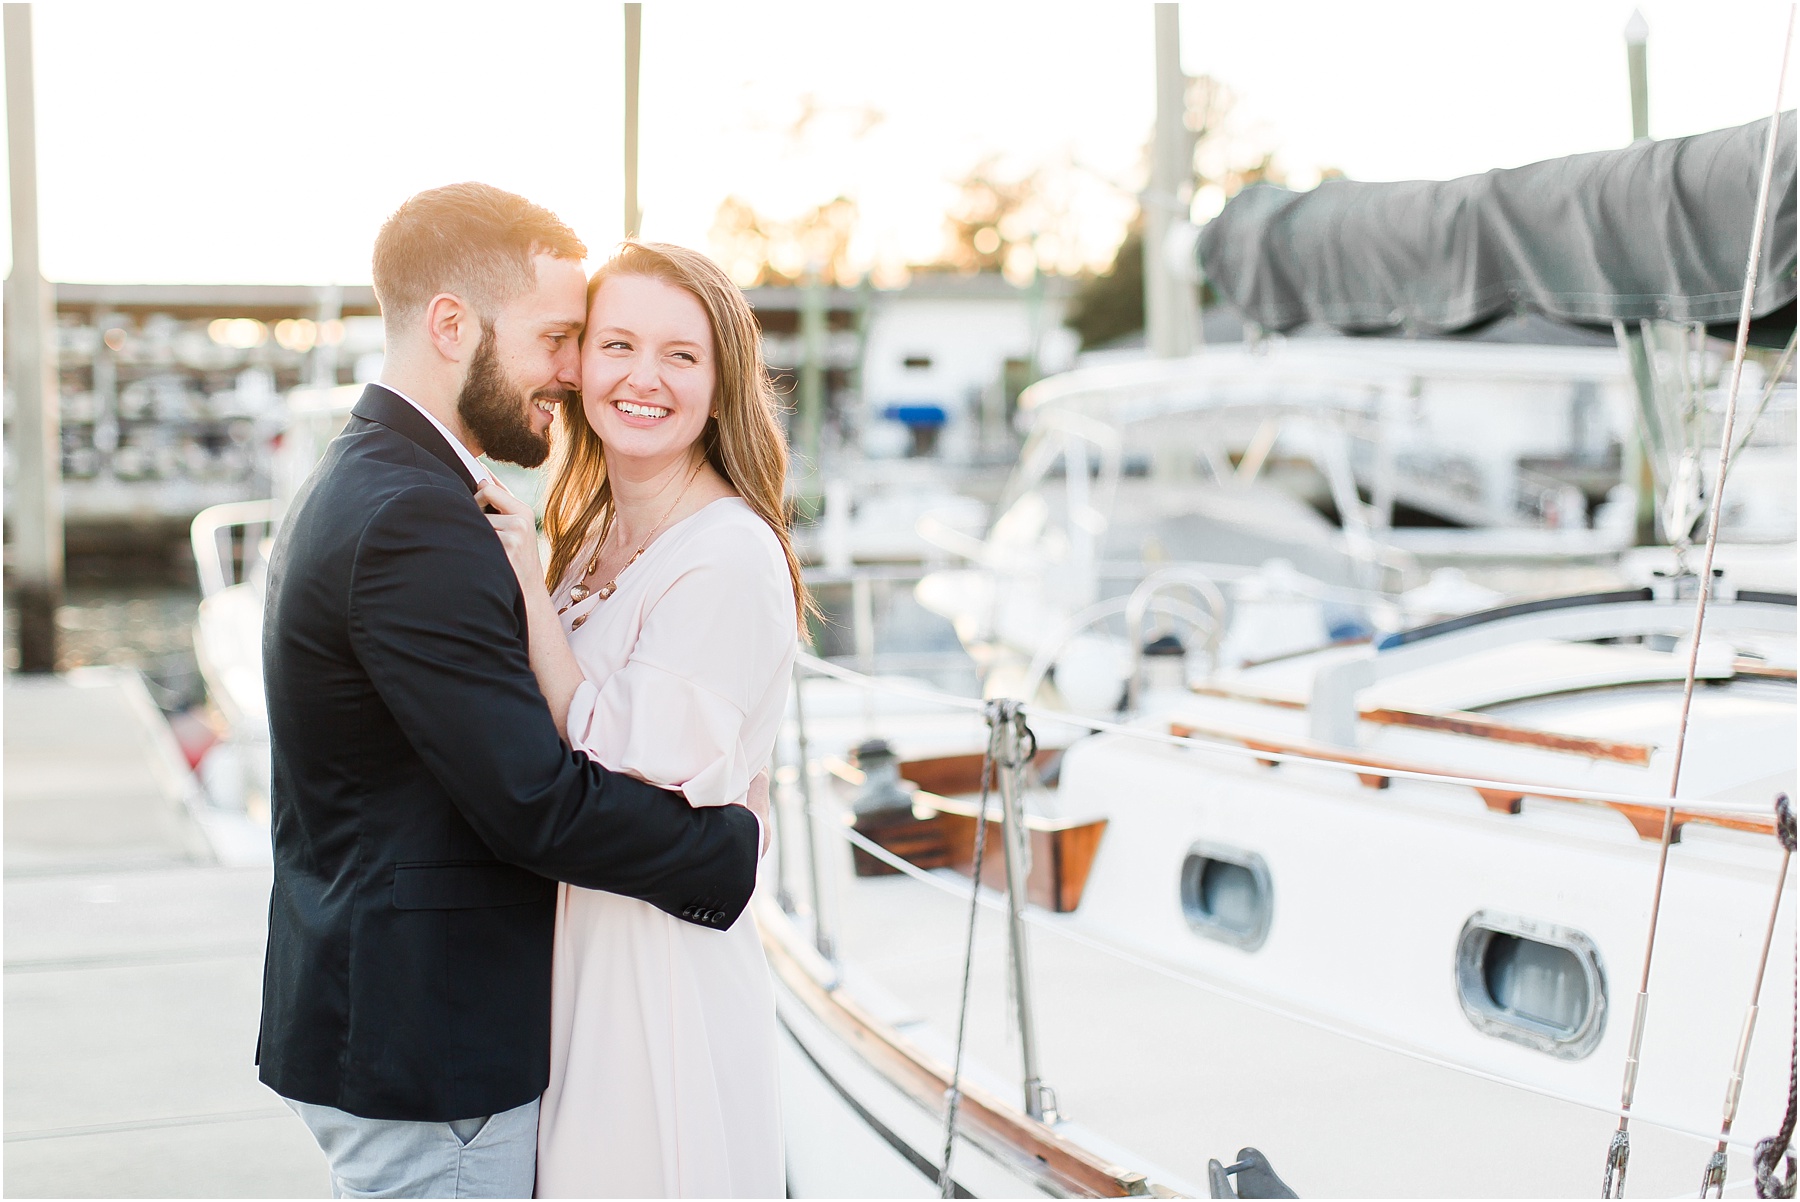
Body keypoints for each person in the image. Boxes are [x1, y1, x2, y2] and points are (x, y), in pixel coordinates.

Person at [257, 184, 764, 1199]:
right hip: (432, 1043)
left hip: (419, 1018)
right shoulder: (415, 513)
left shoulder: (391, 483)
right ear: (453, 324)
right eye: (561, 338)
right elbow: (531, 798)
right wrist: (727, 851)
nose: (575, 372)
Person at [478, 241, 806, 1197]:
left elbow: (622, 772)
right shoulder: (589, 537)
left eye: (681, 354)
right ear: (576, 365)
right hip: (577, 955)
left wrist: (528, 594)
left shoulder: (726, 555)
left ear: (720, 381)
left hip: (658, 976)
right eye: (617, 343)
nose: (644, 378)